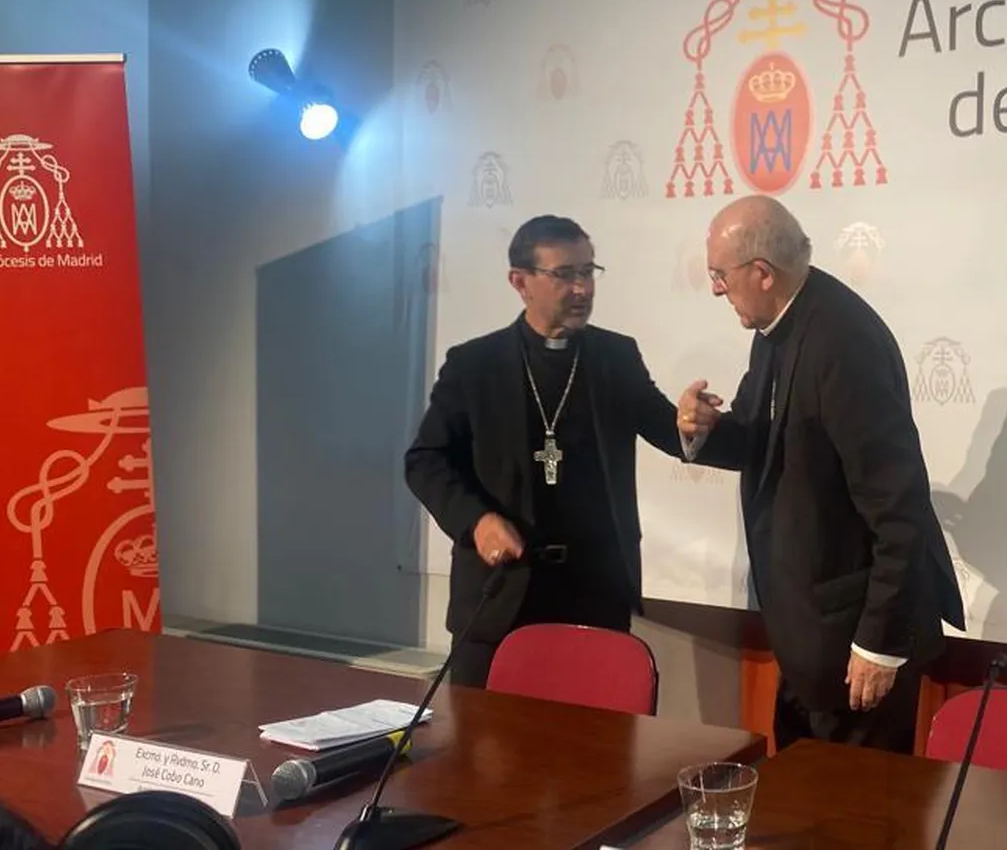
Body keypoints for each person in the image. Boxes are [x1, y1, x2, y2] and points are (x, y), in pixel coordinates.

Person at [676, 195, 965, 753]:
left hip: (857, 645)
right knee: (799, 795)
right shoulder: (777, 325)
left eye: (720, 275)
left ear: (762, 273)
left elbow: (898, 505)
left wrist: (879, 644)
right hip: (811, 636)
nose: (714, 289)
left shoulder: (844, 342)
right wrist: (703, 429)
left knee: (858, 804)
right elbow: (759, 438)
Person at [405, 214, 684, 687]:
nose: (582, 289)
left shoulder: (615, 358)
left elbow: (669, 429)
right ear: (520, 282)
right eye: (565, 275)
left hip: (594, 594)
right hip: (501, 593)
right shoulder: (475, 365)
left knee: (592, 729)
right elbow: (425, 460)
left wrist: (692, 424)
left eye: (588, 272)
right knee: (483, 732)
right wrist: (477, 521)